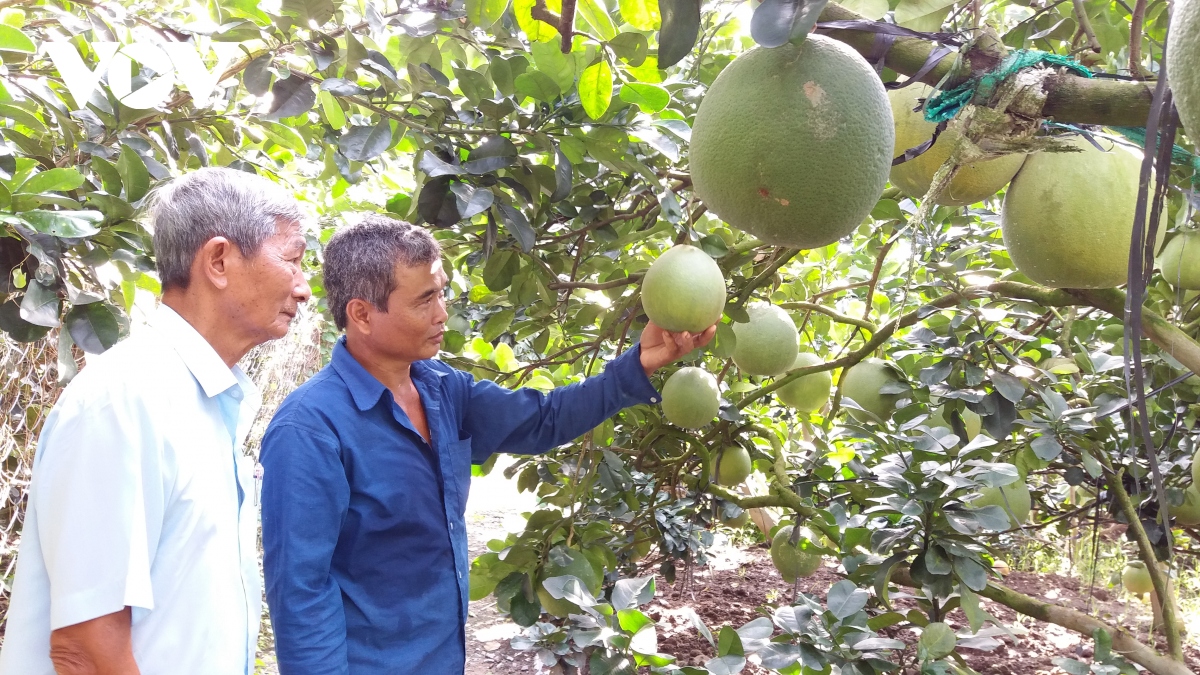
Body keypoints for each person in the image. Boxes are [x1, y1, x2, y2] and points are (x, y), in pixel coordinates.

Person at [260, 214, 716, 674]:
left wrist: (639, 364)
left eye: (441, 293)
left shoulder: (440, 388)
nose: (442, 313)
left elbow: (543, 419)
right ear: (361, 313)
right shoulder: (310, 429)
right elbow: (301, 593)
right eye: (424, 300)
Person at [0, 167, 312, 675]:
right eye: (293, 261)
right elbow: (84, 648)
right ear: (218, 260)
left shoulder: (209, 399)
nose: (302, 288)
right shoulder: (126, 401)